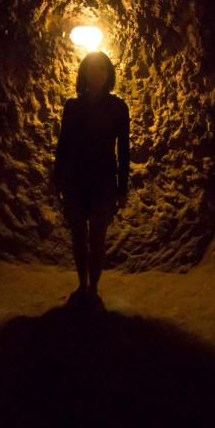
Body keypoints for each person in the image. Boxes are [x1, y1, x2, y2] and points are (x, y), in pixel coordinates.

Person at [52, 51, 130, 313]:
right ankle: (82, 285)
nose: (97, 74)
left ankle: (93, 289)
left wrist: (122, 186)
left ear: (108, 74)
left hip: (103, 180)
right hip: (75, 178)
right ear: (84, 73)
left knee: (96, 238)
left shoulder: (119, 108)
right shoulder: (72, 106)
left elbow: (124, 150)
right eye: (92, 69)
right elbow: (64, 144)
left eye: (101, 70)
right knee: (77, 236)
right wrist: (58, 179)